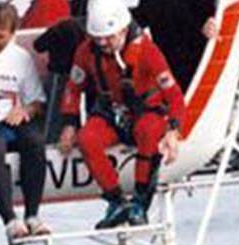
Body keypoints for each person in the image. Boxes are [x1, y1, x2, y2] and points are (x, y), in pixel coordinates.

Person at [57, 0, 186, 229]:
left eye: (109, 37)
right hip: (113, 114)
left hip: (146, 114)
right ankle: (115, 201)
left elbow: (174, 96)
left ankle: (140, 200)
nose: (103, 43)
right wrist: (69, 124)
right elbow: (73, 88)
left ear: (124, 30)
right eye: (98, 38)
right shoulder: (86, 52)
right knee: (87, 138)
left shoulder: (148, 52)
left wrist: (174, 130)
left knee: (148, 130)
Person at [0, 2, 51, 243]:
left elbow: (38, 102)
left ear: (12, 35)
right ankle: (10, 220)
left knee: (35, 141)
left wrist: (25, 110)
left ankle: (32, 215)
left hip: (8, 120)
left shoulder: (20, 58)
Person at [130, 0, 217, 92]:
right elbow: (140, 17)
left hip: (200, 61)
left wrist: (212, 20)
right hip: (170, 67)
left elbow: (217, 12)